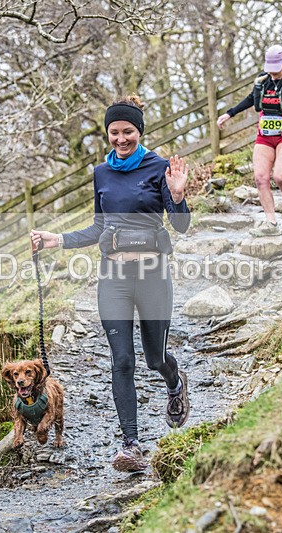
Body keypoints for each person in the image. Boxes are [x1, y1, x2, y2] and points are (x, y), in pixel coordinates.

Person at [30, 96, 191, 473]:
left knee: (154, 359)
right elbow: (99, 226)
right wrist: (58, 240)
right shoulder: (101, 173)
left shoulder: (160, 167)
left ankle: (175, 382)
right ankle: (131, 445)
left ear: (140, 131)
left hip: (152, 275)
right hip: (113, 278)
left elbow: (181, 225)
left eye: (128, 132)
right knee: (122, 361)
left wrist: (178, 196)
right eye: (114, 132)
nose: (121, 139)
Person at [217, 45, 282, 234]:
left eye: (276, 69)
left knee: (280, 177)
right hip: (264, 136)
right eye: (270, 68)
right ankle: (271, 223)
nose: (272, 73)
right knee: (260, 178)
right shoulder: (262, 80)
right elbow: (250, 99)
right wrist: (229, 114)